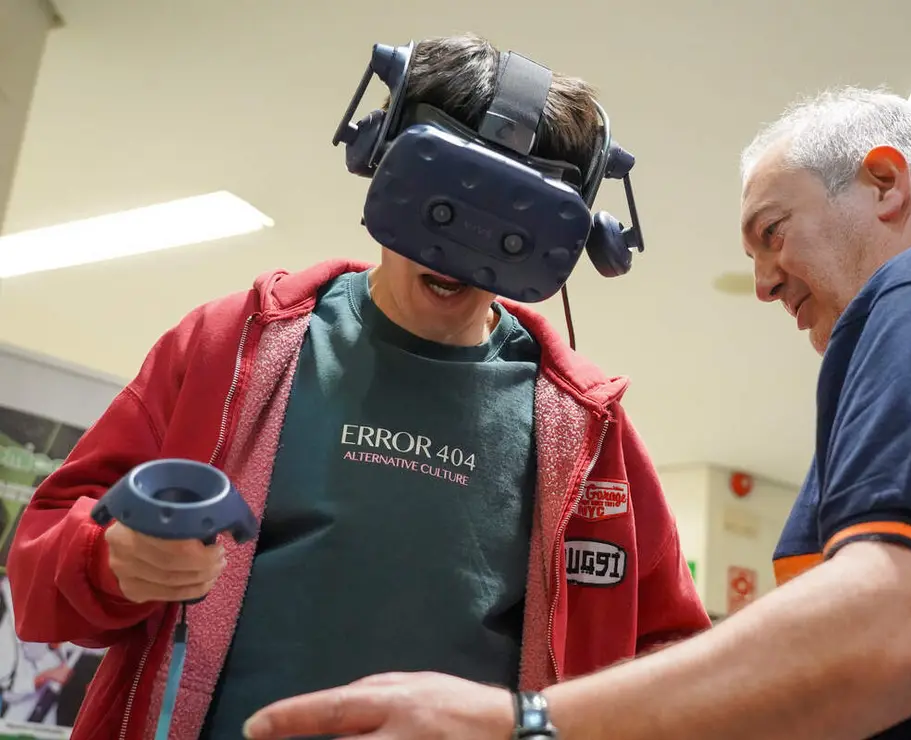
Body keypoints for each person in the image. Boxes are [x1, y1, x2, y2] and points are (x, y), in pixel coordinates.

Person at [237, 86, 911, 740]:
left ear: (884, 182)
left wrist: (527, 722)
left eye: (773, 230)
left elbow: (905, 622)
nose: (763, 282)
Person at [6, 34, 710, 740]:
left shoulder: (589, 431)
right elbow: (41, 569)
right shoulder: (233, 350)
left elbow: (678, 665)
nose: (464, 252)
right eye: (446, 200)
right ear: (381, 158)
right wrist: (109, 558)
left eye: (510, 231)